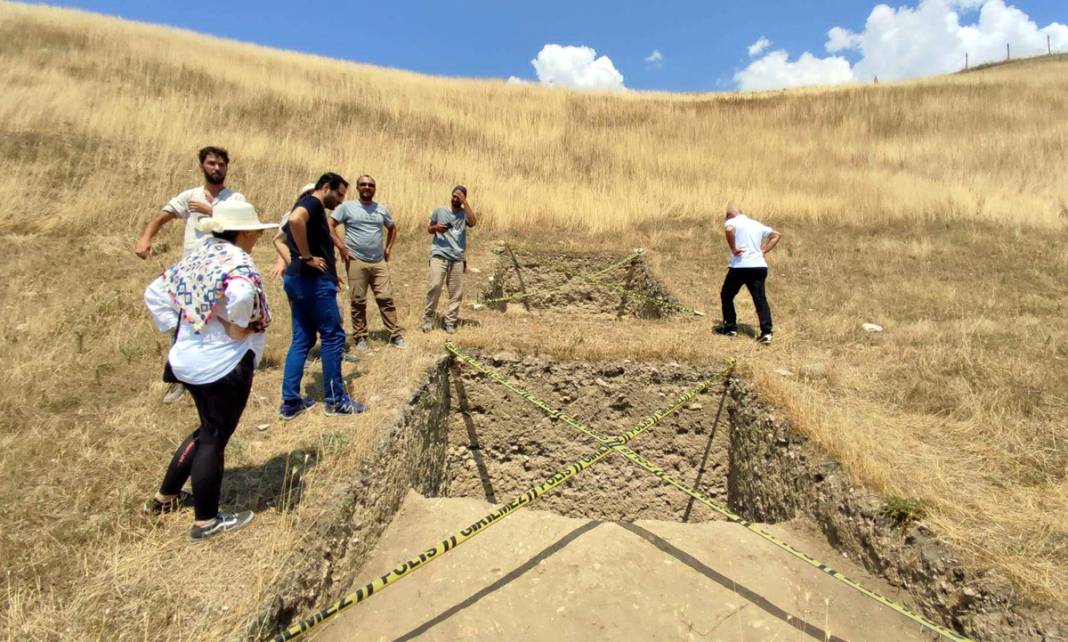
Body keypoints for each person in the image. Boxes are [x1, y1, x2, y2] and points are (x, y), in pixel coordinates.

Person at [142, 200, 277, 542]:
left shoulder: (200, 256)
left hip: (187, 358)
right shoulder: (238, 264)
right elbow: (243, 293)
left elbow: (155, 291)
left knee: (206, 430)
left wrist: (183, 327)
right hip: (222, 365)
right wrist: (236, 324)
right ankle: (206, 520)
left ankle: (165, 497)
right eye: (255, 233)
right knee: (214, 438)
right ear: (245, 232)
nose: (256, 238)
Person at [134, 146, 246, 404]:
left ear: (227, 167)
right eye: (211, 163)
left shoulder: (234, 199)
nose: (216, 168)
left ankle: (220, 372)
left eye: (220, 164)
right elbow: (163, 216)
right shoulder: (190, 196)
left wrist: (211, 212)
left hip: (223, 271)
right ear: (202, 166)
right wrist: (145, 237)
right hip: (193, 272)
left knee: (223, 322)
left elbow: (244, 225)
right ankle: (177, 380)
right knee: (186, 323)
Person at [279, 172, 367, 420]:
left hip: (297, 280)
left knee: (302, 339)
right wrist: (306, 257)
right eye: (339, 194)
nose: (340, 200)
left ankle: (290, 402)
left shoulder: (305, 204)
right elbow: (295, 221)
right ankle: (335, 401)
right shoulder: (313, 204)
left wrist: (320, 267)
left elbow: (282, 236)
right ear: (326, 187)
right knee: (333, 336)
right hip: (313, 283)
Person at [330, 175, 406, 350]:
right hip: (356, 260)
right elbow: (330, 224)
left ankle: (395, 334)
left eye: (371, 185)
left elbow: (392, 227)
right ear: (357, 187)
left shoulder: (381, 209)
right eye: (363, 184)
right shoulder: (347, 207)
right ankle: (360, 337)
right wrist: (341, 247)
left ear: (374, 188)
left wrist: (388, 249)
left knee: (385, 298)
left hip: (378, 261)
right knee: (358, 300)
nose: (367, 187)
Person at [715, 204, 781, 344]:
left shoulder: (732, 221)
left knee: (727, 295)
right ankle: (767, 333)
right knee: (760, 299)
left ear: (729, 215)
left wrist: (733, 248)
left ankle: (730, 327)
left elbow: (728, 230)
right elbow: (776, 235)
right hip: (759, 266)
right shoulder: (756, 224)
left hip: (740, 266)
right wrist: (764, 251)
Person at [421, 185, 477, 334]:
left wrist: (465, 202)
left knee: (456, 292)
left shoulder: (465, 214)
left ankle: (450, 322)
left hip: (457, 258)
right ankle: (428, 318)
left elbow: (473, 222)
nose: (454, 199)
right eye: (453, 196)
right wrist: (435, 228)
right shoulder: (440, 211)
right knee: (435, 286)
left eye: (458, 197)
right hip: (439, 254)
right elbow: (429, 228)